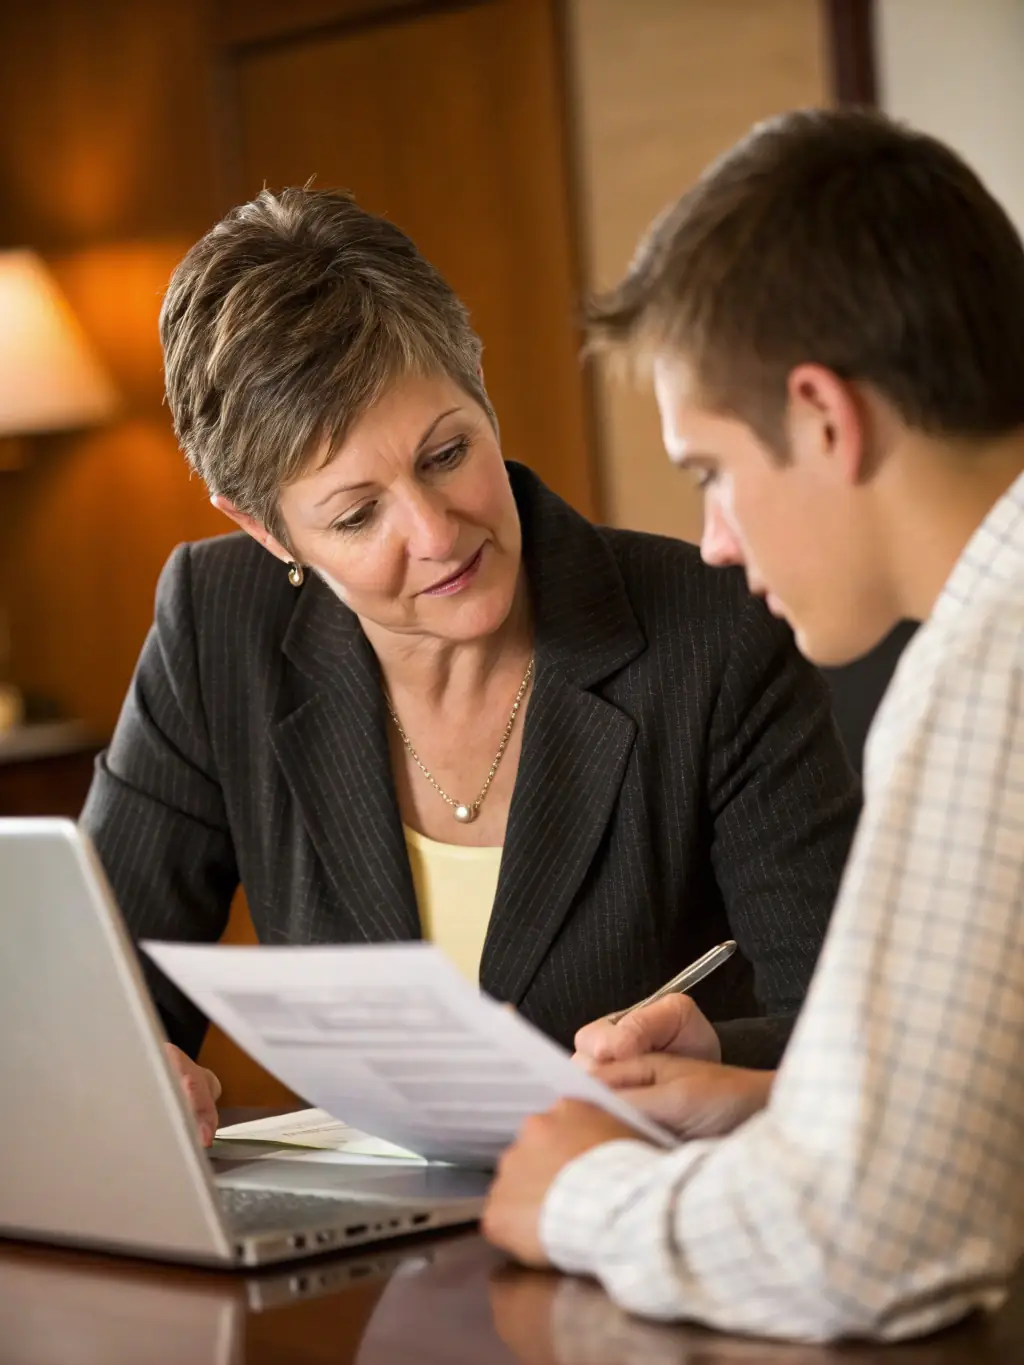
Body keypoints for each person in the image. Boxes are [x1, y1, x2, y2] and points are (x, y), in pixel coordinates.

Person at [80, 187, 858, 1146]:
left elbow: (859, 1039)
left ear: (481, 386)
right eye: (358, 514)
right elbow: (94, 1000)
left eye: (448, 453)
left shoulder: (714, 633)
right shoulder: (214, 624)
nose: (437, 533)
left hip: (637, 1226)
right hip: (351, 1264)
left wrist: (722, 1054)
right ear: (261, 527)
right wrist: (126, 1068)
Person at [482, 108, 1024, 1343]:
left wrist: (583, 1196)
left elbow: (876, 1245)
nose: (715, 543)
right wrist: (776, 1105)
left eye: (710, 473)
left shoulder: (990, 669)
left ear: (825, 418)